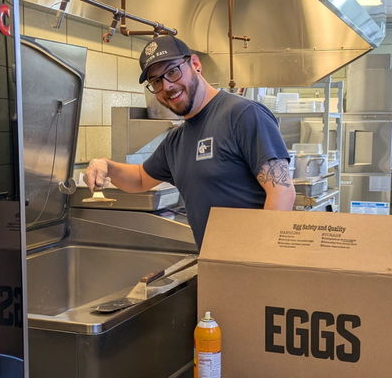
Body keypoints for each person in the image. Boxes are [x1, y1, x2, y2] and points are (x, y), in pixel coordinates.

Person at [84, 37, 295, 247]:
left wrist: (262, 259)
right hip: (215, 264)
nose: (167, 86)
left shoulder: (243, 114)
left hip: (251, 267)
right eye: (156, 81)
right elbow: (140, 179)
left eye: (172, 71)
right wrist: (106, 165)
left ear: (195, 64)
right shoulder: (176, 139)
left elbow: (282, 192)